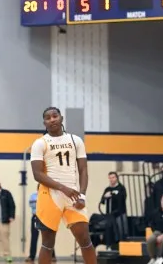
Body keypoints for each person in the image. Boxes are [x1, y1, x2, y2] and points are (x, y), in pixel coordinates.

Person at [30, 107, 97, 264]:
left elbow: (83, 169)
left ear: (61, 118)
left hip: (73, 196)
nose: (52, 119)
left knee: (85, 239)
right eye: (48, 117)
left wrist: (82, 195)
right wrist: (63, 189)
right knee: (48, 243)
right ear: (44, 122)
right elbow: (37, 174)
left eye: (55, 116)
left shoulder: (75, 140)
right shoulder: (40, 143)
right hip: (49, 195)